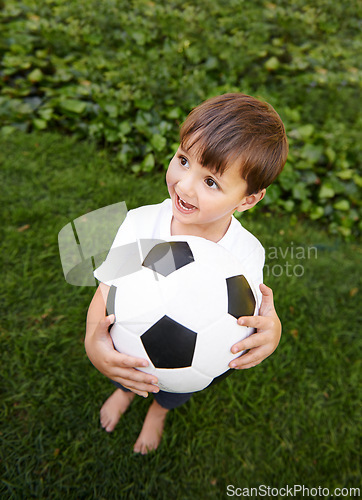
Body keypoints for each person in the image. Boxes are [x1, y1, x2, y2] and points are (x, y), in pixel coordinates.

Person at [85, 93, 288, 455]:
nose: (183, 184)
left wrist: (272, 332)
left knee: (179, 389)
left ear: (248, 200)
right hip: (133, 337)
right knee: (128, 367)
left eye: (210, 182)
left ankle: (159, 411)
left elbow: (253, 316)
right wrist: (92, 340)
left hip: (200, 357)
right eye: (183, 160)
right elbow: (105, 289)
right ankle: (124, 390)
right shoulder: (141, 225)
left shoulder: (245, 254)